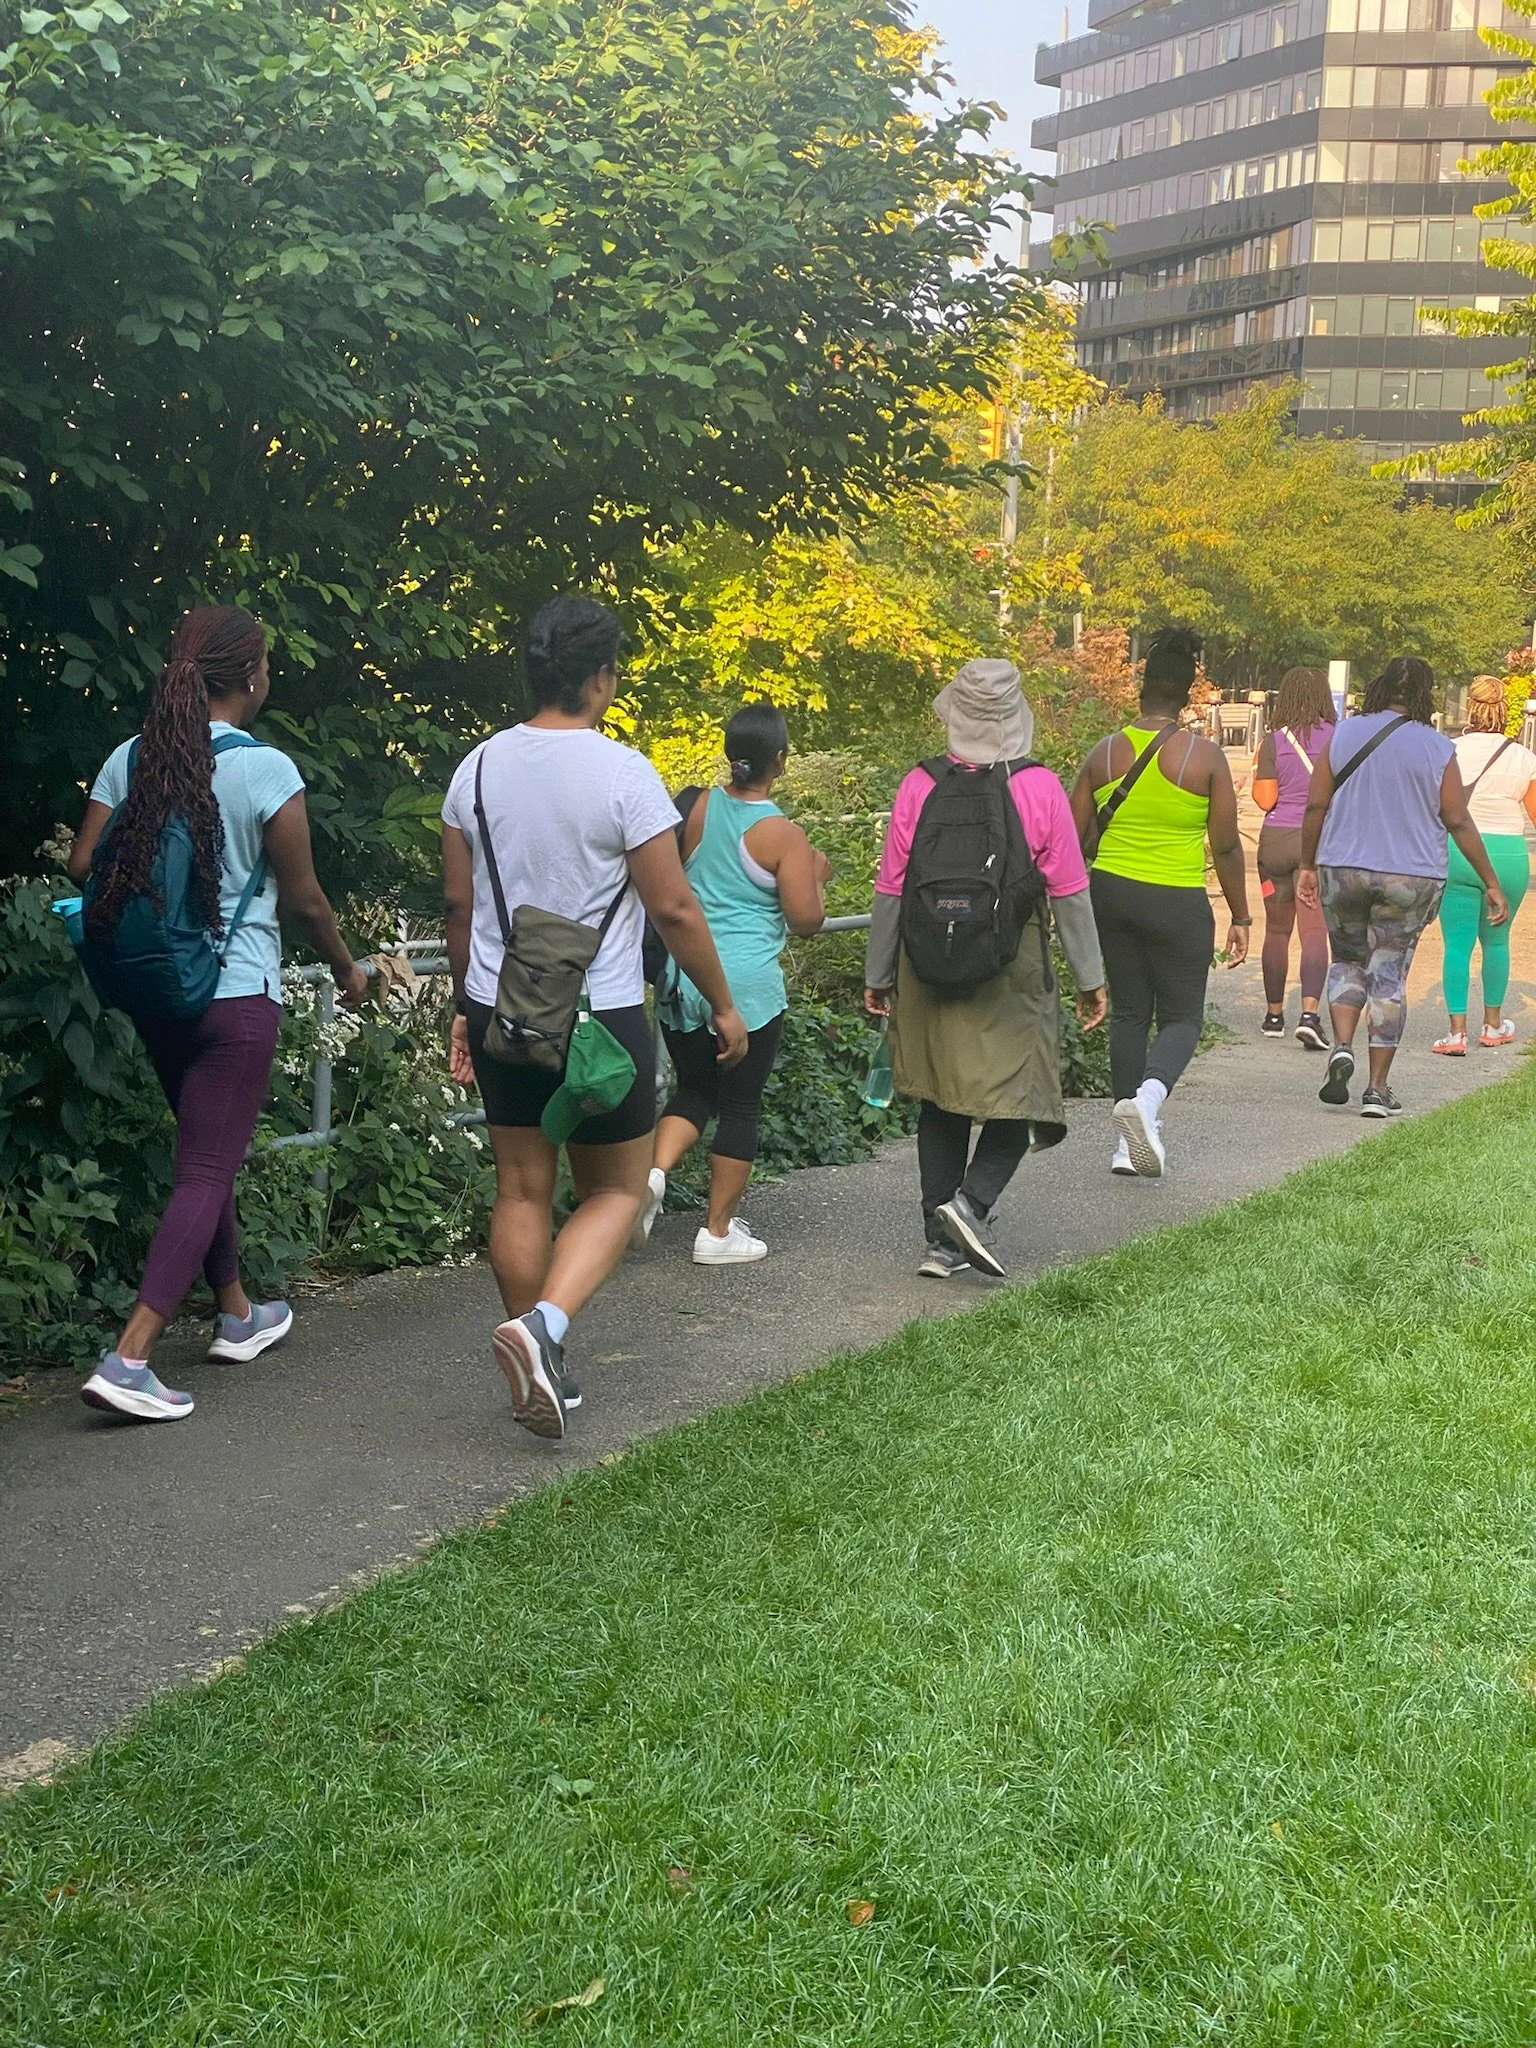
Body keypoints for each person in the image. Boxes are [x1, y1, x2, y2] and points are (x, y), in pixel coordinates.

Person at [442, 595, 747, 1441]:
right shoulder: (623, 774)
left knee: (520, 1186)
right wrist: (722, 1003)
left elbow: (460, 906)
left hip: (506, 1011)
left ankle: (537, 1357)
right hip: (601, 1016)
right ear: (601, 677)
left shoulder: (474, 771)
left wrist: (467, 1005)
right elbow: (675, 908)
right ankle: (545, 1331)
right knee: (615, 1186)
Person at [68, 605, 368, 1423]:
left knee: (208, 1153)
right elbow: (304, 898)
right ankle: (131, 1356)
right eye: (267, 663)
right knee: (206, 1168)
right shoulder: (265, 770)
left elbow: (85, 861)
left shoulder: (132, 758)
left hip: (162, 989)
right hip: (236, 995)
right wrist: (347, 968)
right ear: (247, 675)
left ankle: (238, 1313)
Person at [864, 658, 1107, 1281]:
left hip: (926, 962)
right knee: (1023, 1095)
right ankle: (970, 1205)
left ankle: (938, 1242)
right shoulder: (1039, 787)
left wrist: (879, 972)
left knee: (941, 1098)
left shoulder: (919, 784)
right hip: (1010, 962)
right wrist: (1090, 977)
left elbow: (892, 888)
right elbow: (1070, 890)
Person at [641, 702, 829, 1264]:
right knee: (741, 1104)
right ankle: (717, 1233)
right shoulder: (783, 835)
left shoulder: (694, 806)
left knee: (694, 1090)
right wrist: (815, 875)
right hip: (745, 989)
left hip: (683, 976)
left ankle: (651, 1176)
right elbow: (806, 920)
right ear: (781, 759)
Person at [1070, 627, 1250, 1178]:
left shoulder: (1101, 754)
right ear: (1187, 693)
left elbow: (1075, 842)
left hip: (1112, 893)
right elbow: (1223, 843)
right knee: (1182, 1019)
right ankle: (1147, 1102)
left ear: (1141, 688)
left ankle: (1127, 1146)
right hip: (1176, 898)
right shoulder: (1205, 757)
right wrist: (1241, 914)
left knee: (1128, 1012)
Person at [1298, 655, 1508, 1116]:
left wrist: (1307, 865)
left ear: (1379, 685)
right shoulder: (1436, 748)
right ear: (1424, 695)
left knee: (1348, 960)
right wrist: (1491, 880)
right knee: (1388, 973)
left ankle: (1342, 1046)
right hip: (1410, 875)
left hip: (1342, 866)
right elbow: (1457, 819)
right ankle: (1376, 1089)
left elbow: (1314, 808)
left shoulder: (1344, 734)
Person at [1433, 675, 1536, 1054]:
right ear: (1504, 712)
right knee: (1497, 942)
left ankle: (1455, 1032)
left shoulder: (1448, 751)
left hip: (1459, 851)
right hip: (1507, 854)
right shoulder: (1524, 757)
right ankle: (1493, 1025)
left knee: (1456, 945)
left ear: (1470, 710)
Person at [1251, 666, 1336, 1049]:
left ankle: (1272, 1016)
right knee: (1314, 930)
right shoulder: (1338, 738)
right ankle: (1309, 1015)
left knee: (1277, 930)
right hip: (1318, 843)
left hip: (1275, 842)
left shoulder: (1272, 741)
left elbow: (1265, 799)